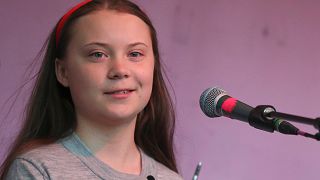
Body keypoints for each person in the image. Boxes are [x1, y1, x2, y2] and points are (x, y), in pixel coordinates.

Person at [0, 0, 183, 179]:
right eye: (98, 55)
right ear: (63, 72)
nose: (120, 70)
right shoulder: (36, 169)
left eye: (135, 54)